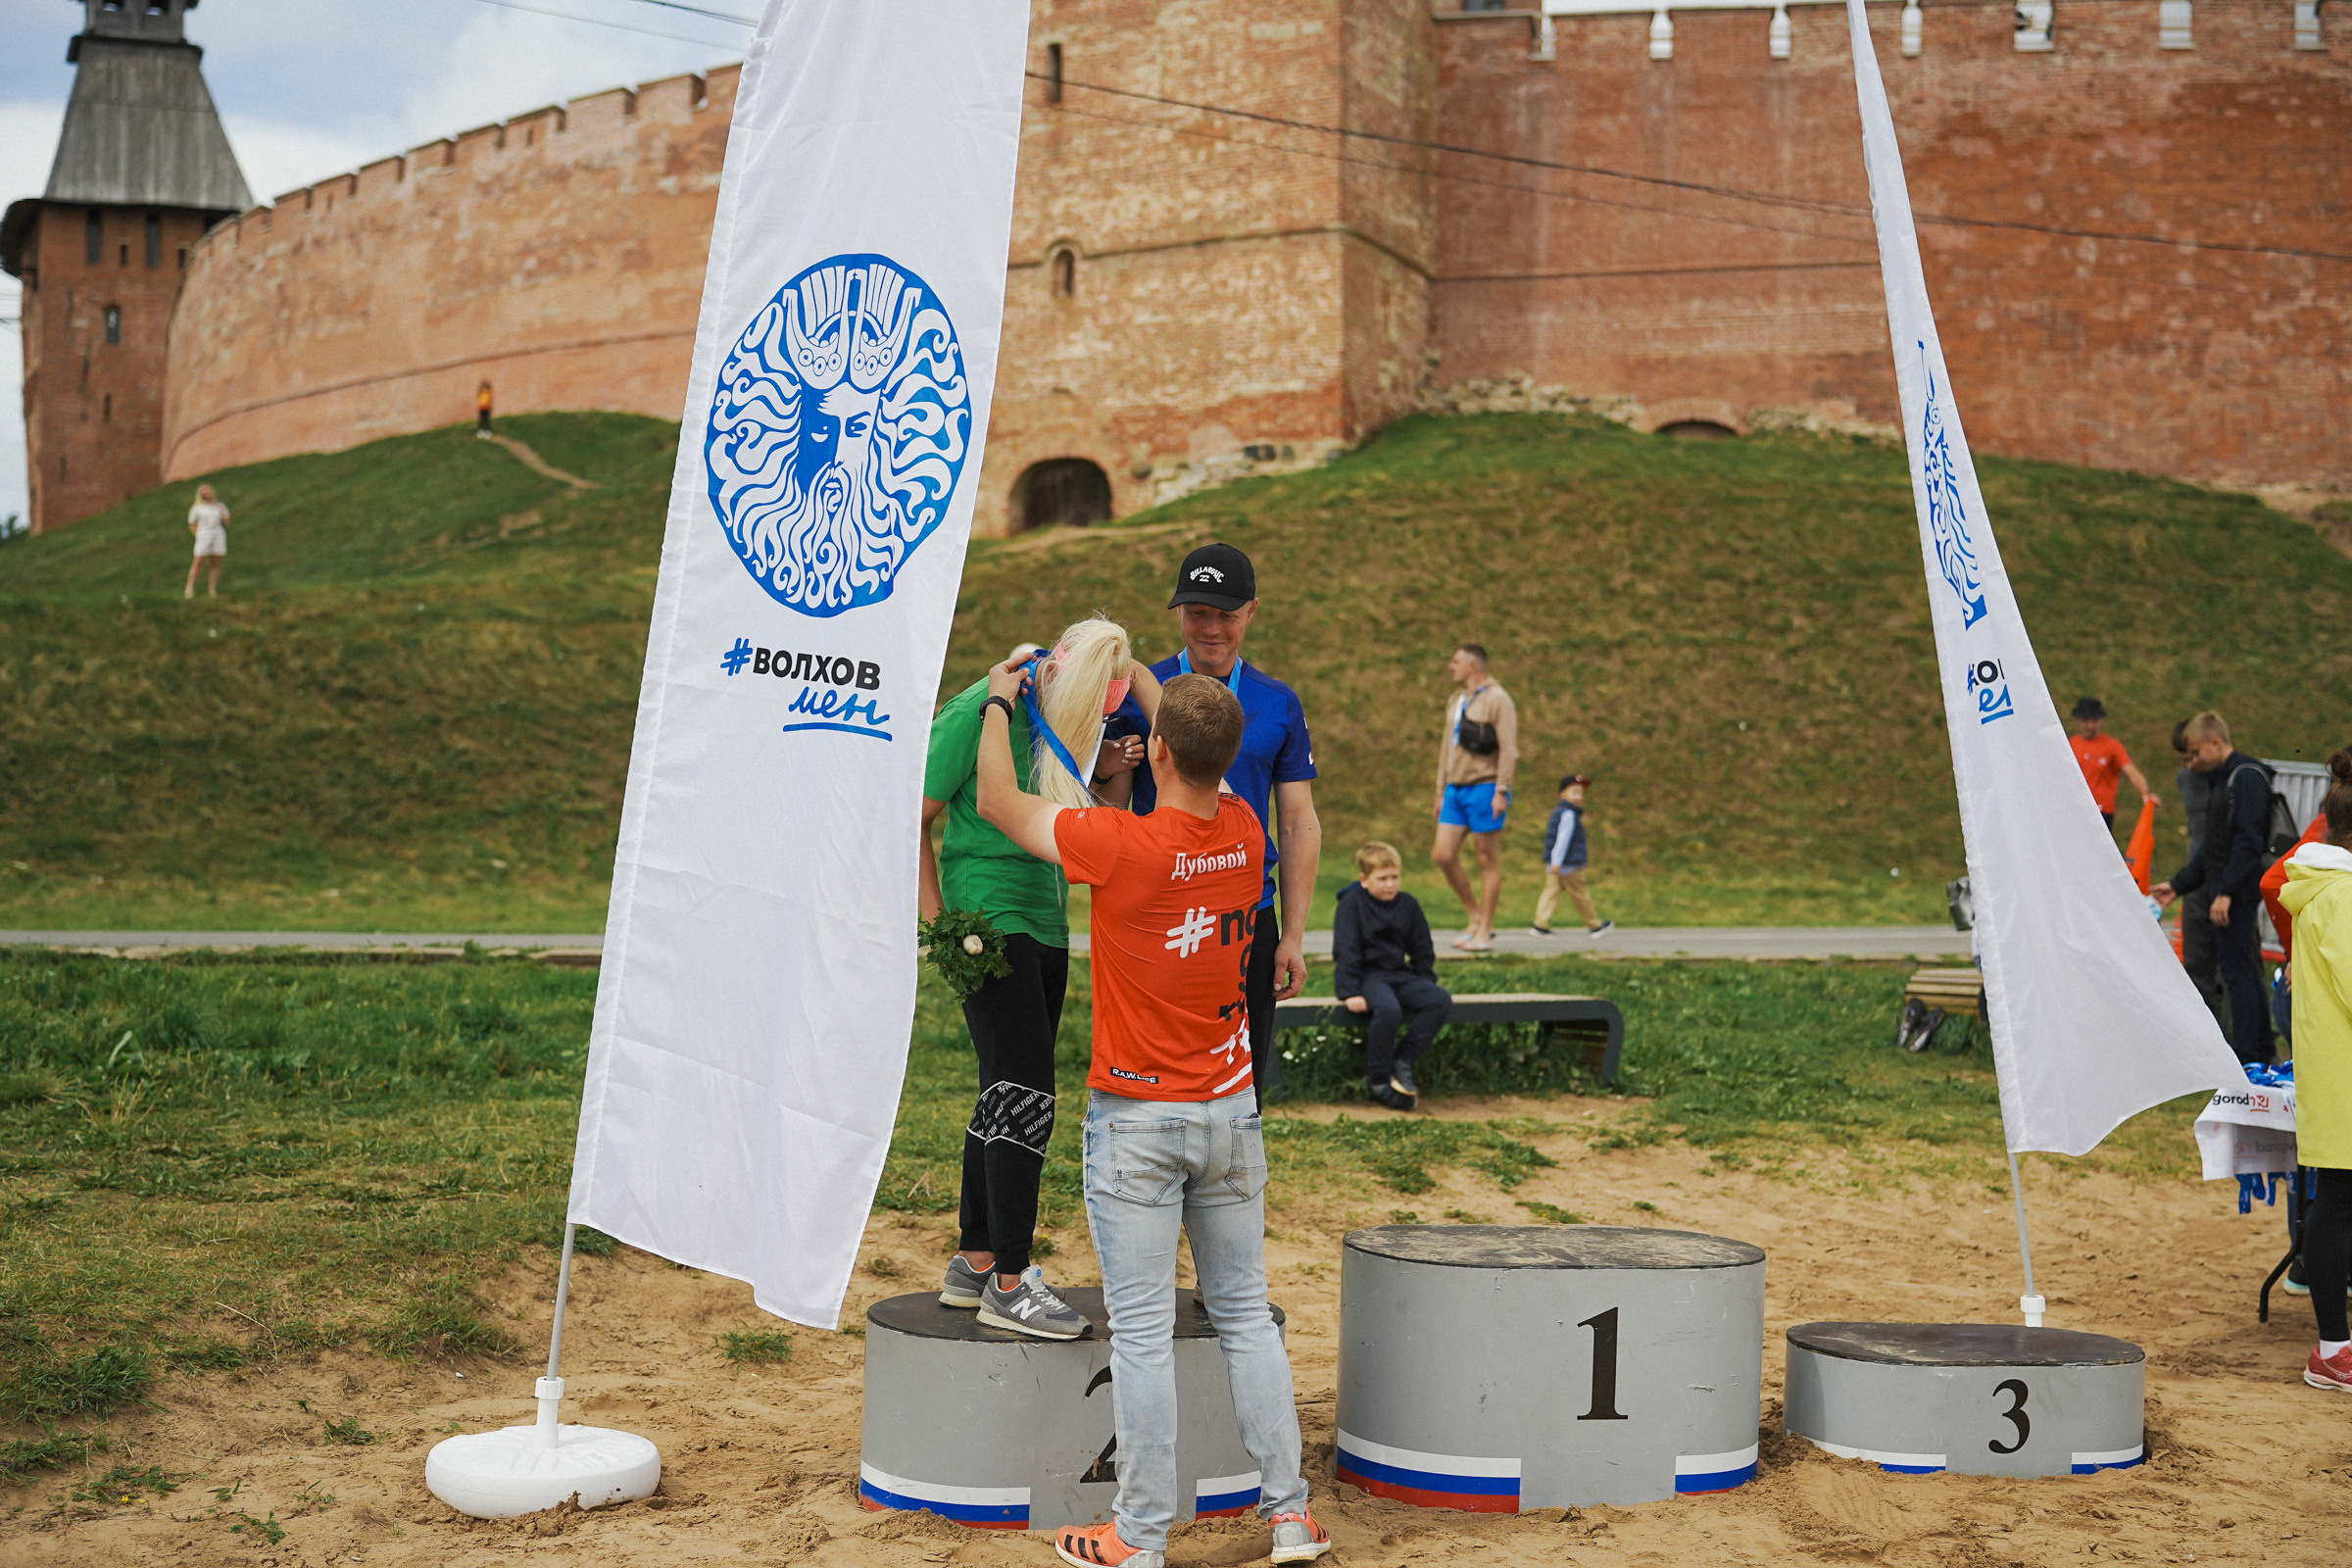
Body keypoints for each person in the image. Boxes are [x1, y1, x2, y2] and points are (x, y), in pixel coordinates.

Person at [975, 669, 1334, 1568]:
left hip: (1138, 1123)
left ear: (1158, 750)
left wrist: (995, 699)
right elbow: (1198, 738)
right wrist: (1137, 672)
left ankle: (1137, 1537)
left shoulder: (1117, 846)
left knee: (1142, 1336)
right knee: (1245, 1318)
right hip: (1230, 1112)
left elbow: (996, 802)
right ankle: (1291, 1518)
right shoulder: (1246, 830)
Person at [919, 618, 1160, 1340]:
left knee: (1004, 1082)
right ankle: (1011, 1280)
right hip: (986, 919)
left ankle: (974, 1256)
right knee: (1026, 1089)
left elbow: (1090, 824)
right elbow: (911, 818)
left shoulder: (1068, 721)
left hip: (1047, 921)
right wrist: (938, 927)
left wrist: (1112, 770)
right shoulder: (980, 710)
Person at [1115, 543, 1320, 1105]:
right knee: (1153, 1076)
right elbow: (1106, 807)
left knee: (1242, 1082)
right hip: (1160, 916)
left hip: (1249, 919)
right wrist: (1111, 766)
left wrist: (1294, 936)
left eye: (1225, 615)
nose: (1209, 629)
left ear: (1250, 612)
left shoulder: (1277, 702)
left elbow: (1299, 822)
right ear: (1177, 612)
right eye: (1196, 612)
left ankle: (1229, 1191)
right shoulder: (1135, 693)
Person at [2276, 757, 2352, 1393]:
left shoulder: (2323, 890)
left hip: (2336, 1075)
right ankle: (2332, 1348)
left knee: (2338, 1202)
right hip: (2345, 1078)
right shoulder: (2344, 895)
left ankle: (2335, 1345)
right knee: (2338, 1205)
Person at [2153, 712, 2276, 1065]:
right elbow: (2213, 849)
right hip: (2222, 889)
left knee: (2239, 975)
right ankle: (2261, 1051)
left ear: (2215, 742)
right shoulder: (2222, 780)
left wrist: (2226, 892)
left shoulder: (2246, 778)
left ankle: (2250, 1057)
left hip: (2235, 895)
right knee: (2242, 971)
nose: (2192, 764)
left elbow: (2248, 845)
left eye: (2195, 754)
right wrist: (2177, 885)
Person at [1333, 842, 1450, 1109]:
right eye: (1382, 878)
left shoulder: (1407, 904)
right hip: (1368, 977)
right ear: (1364, 880)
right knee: (1388, 1011)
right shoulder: (1351, 904)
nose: (1390, 884)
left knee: (1439, 1000)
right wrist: (1350, 991)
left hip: (1399, 974)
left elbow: (1422, 948)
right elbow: (1346, 949)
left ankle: (1402, 1061)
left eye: (1395, 877)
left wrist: (1425, 981)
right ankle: (1378, 1080)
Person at [1432, 643, 1519, 952]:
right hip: (1455, 790)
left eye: (1456, 662)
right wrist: (1441, 789)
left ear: (1473, 665)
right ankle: (1474, 914)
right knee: (1442, 855)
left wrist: (1502, 789)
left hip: (1485, 787)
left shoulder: (1498, 699)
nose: (1451, 667)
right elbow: (1447, 746)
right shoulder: (1457, 700)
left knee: (1486, 858)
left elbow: (1508, 748)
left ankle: (1485, 930)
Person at [2173, 721, 2227, 1027]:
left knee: (2225, 968)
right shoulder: (2197, 779)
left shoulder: (2223, 779)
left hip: (2211, 878)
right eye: (2186, 759)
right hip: (2200, 878)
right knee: (2199, 966)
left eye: (2195, 757)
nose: (2191, 765)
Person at [1532, 774, 1614, 939]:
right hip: (1568, 865)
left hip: (1558, 864)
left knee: (1551, 893)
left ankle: (1540, 924)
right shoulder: (1569, 814)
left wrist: (1554, 863)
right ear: (1563, 794)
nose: (1579, 797)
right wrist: (1557, 862)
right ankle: (1595, 925)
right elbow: (1563, 839)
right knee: (1580, 894)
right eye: (1574, 792)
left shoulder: (1561, 812)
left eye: (1580, 793)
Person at [2068, 697, 2157, 830]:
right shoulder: (2070, 745)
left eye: (2094, 721)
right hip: (2076, 809)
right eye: (2086, 721)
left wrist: (2144, 793)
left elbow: (2131, 772)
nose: (2090, 726)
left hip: (2102, 811)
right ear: (2079, 720)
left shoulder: (2112, 746)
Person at [184, 483, 228, 599]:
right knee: (198, 561)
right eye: (204, 491)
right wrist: (197, 534)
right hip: (204, 534)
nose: (207, 493)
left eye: (208, 491)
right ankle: (189, 588)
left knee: (215, 563)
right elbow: (191, 523)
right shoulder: (198, 508)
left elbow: (226, 521)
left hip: (218, 534)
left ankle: (212, 590)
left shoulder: (219, 505)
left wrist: (223, 513)